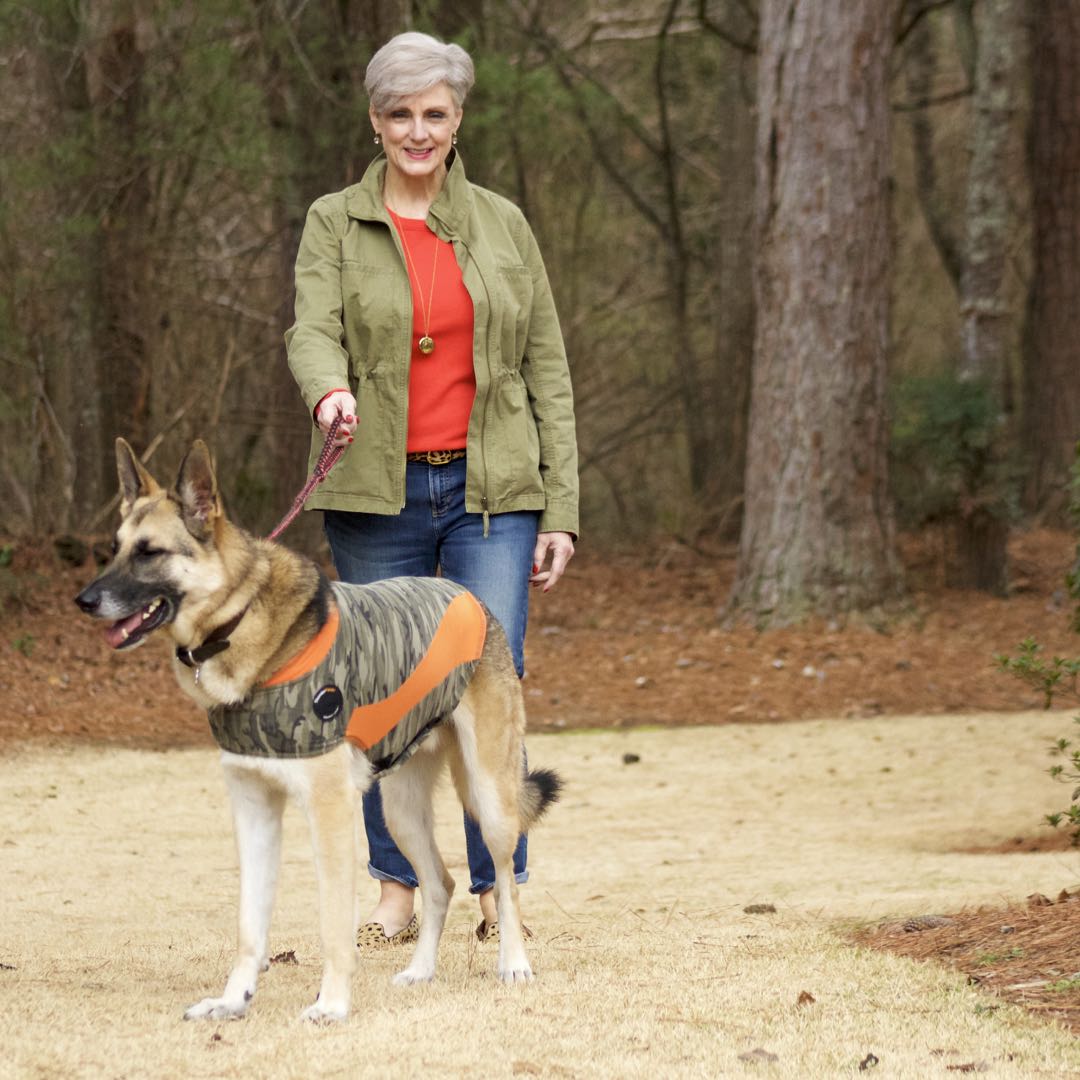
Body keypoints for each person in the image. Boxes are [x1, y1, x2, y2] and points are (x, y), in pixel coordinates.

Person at [285, 30, 578, 946]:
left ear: (458, 122)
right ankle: (401, 882)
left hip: (495, 496)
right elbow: (310, 330)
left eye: (435, 115)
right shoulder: (335, 220)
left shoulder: (503, 224)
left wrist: (559, 506)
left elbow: (548, 368)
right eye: (401, 114)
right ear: (376, 122)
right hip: (378, 498)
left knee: (492, 683)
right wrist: (331, 392)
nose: (419, 131)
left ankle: (500, 888)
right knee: (379, 694)